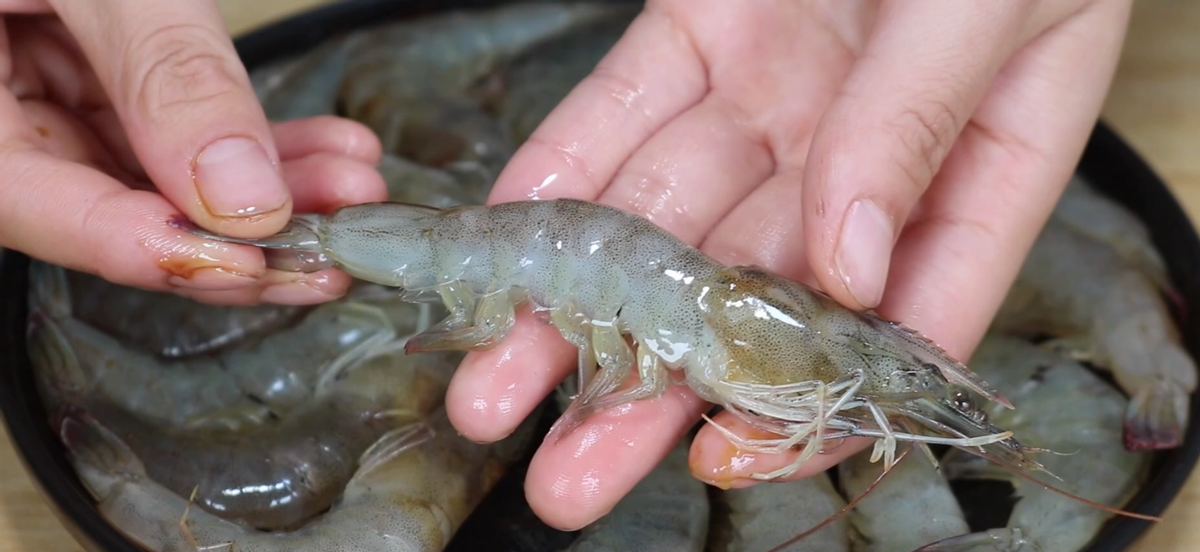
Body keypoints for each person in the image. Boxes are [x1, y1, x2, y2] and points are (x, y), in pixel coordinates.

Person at [2, 0, 1132, 532]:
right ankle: (278, 229)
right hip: (535, 257)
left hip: (603, 270)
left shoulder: (790, 333)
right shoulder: (736, 330)